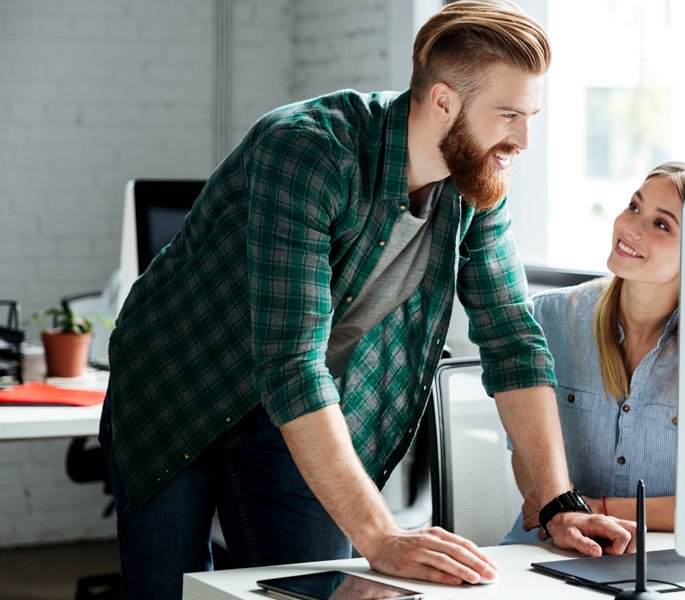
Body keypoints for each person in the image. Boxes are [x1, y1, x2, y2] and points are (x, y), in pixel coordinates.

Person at [98, 2, 634, 598]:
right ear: (443, 102)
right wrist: (381, 535)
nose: (524, 139)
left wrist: (558, 500)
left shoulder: (478, 178)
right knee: (168, 592)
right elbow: (290, 362)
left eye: (531, 115)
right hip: (178, 384)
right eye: (508, 114)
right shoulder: (306, 150)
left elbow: (512, 339)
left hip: (298, 408)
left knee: (323, 588)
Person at [501, 162, 685, 545]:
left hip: (667, 557)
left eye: (661, 224)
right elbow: (525, 453)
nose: (630, 228)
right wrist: (562, 513)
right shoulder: (549, 318)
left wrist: (587, 508)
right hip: (551, 547)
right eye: (634, 207)